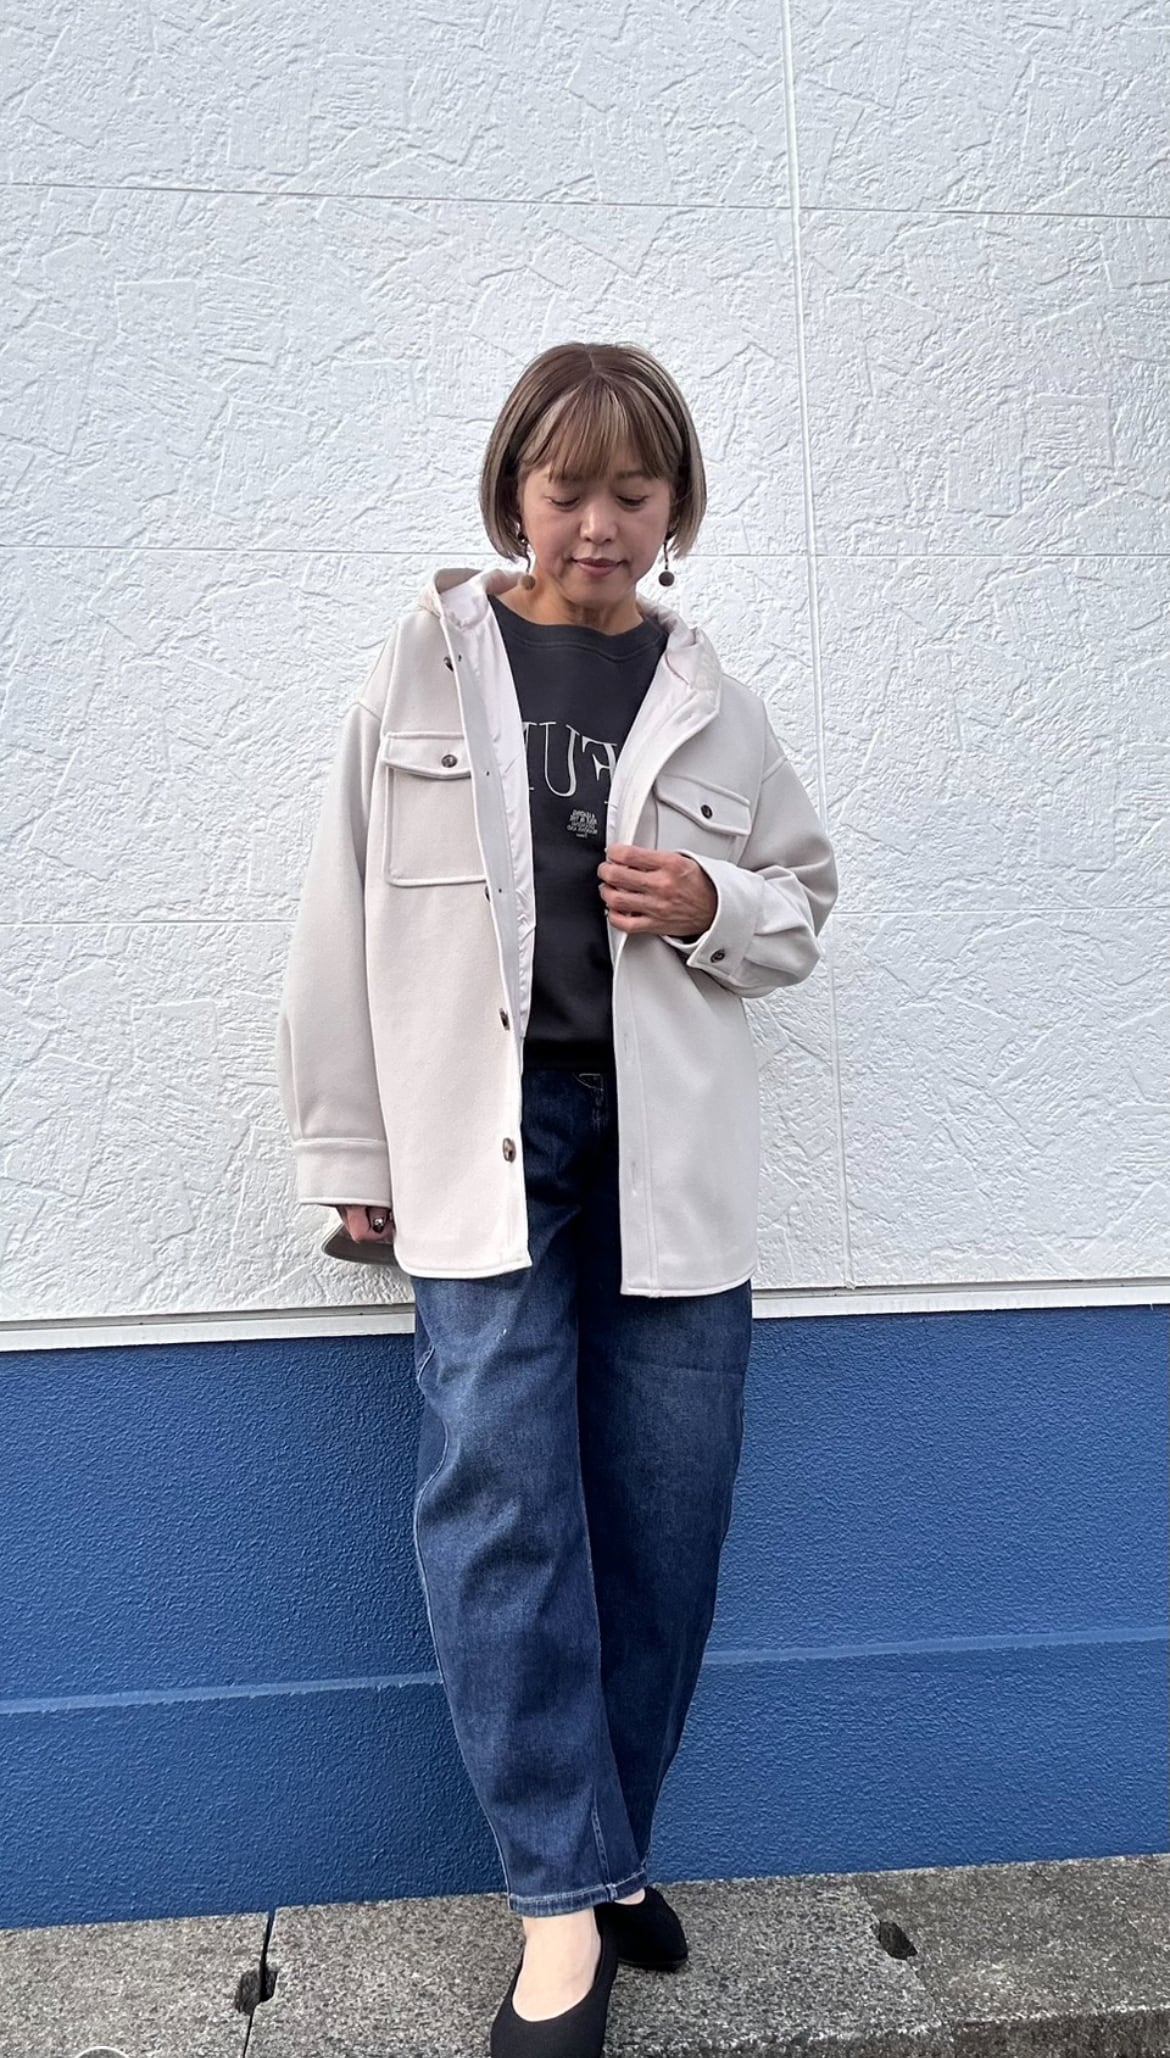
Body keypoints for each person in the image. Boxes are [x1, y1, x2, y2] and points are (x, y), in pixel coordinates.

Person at [275, 340, 838, 2058]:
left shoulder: (715, 697)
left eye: (633, 492)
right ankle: (555, 1907)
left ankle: (605, 1851)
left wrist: (711, 903)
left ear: (675, 508)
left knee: (667, 1514)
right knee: (501, 1506)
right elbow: (341, 916)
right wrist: (348, 1150)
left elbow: (801, 907)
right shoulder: (423, 668)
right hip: (480, 1141)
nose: (598, 524)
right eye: (566, 488)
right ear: (512, 490)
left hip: (664, 1147)